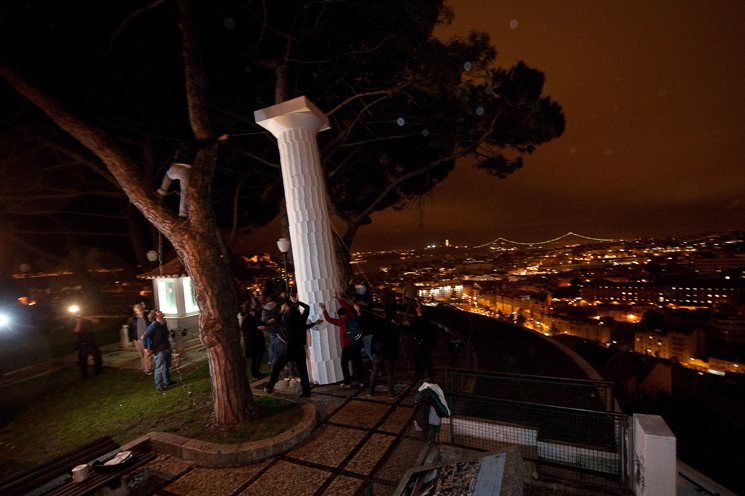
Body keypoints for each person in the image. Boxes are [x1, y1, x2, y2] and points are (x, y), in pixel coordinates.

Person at [264, 297, 320, 397]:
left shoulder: (286, 323)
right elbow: (307, 307)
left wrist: (281, 312)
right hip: (300, 348)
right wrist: (296, 302)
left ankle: (270, 386)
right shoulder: (302, 319)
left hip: (290, 348)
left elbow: (277, 322)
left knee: (277, 366)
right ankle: (306, 392)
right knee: (303, 370)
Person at [320, 295, 364, 387]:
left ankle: (347, 382)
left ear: (340, 315)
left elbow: (329, 319)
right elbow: (346, 307)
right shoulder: (351, 316)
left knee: (344, 364)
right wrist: (339, 299)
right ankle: (361, 381)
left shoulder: (341, 322)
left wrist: (324, 309)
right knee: (358, 364)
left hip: (347, 346)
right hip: (356, 344)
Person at [368, 307, 400, 399]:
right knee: (389, 372)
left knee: (375, 371)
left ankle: (370, 391)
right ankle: (391, 393)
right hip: (388, 352)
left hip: (377, 351)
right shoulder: (392, 325)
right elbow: (400, 330)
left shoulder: (377, 322)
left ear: (384, 315)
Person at [144, 309, 175, 393]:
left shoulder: (163, 323)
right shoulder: (154, 325)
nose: (161, 312)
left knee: (167, 365)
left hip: (166, 347)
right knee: (159, 368)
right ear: (156, 316)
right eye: (158, 312)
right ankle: (159, 386)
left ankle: (167, 381)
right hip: (159, 350)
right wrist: (146, 348)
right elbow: (144, 336)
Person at [408, 305, 436, 384]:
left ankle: (427, 375)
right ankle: (425, 374)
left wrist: (409, 325)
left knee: (424, 359)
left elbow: (416, 329)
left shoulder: (420, 320)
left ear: (420, 310)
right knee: (420, 358)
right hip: (424, 342)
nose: (416, 308)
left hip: (422, 343)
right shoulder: (425, 320)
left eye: (418, 307)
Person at [127, 303, 153, 375]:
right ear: (135, 310)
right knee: (142, 355)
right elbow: (130, 330)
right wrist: (130, 340)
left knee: (148, 354)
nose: (141, 308)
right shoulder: (132, 320)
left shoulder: (147, 317)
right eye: (138, 307)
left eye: (141, 307)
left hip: (147, 339)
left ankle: (148, 369)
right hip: (138, 339)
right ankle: (145, 368)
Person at [74, 314, 103, 379]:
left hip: (92, 342)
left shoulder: (88, 321)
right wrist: (79, 321)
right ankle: (84, 375)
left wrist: (88, 318)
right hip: (82, 344)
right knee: (83, 361)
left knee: (97, 358)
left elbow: (96, 321)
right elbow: (76, 330)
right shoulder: (75, 322)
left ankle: (98, 371)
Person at [241, 305, 266, 381]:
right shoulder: (247, 320)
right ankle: (254, 374)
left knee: (259, 357)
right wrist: (257, 328)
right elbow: (247, 332)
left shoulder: (254, 317)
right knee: (255, 359)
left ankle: (257, 372)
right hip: (252, 342)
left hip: (257, 341)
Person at [259, 295, 281, 366]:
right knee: (279, 344)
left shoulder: (265, 308)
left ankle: (270, 359)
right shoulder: (277, 307)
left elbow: (263, 319)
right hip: (277, 327)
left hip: (269, 328)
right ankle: (277, 360)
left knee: (271, 344)